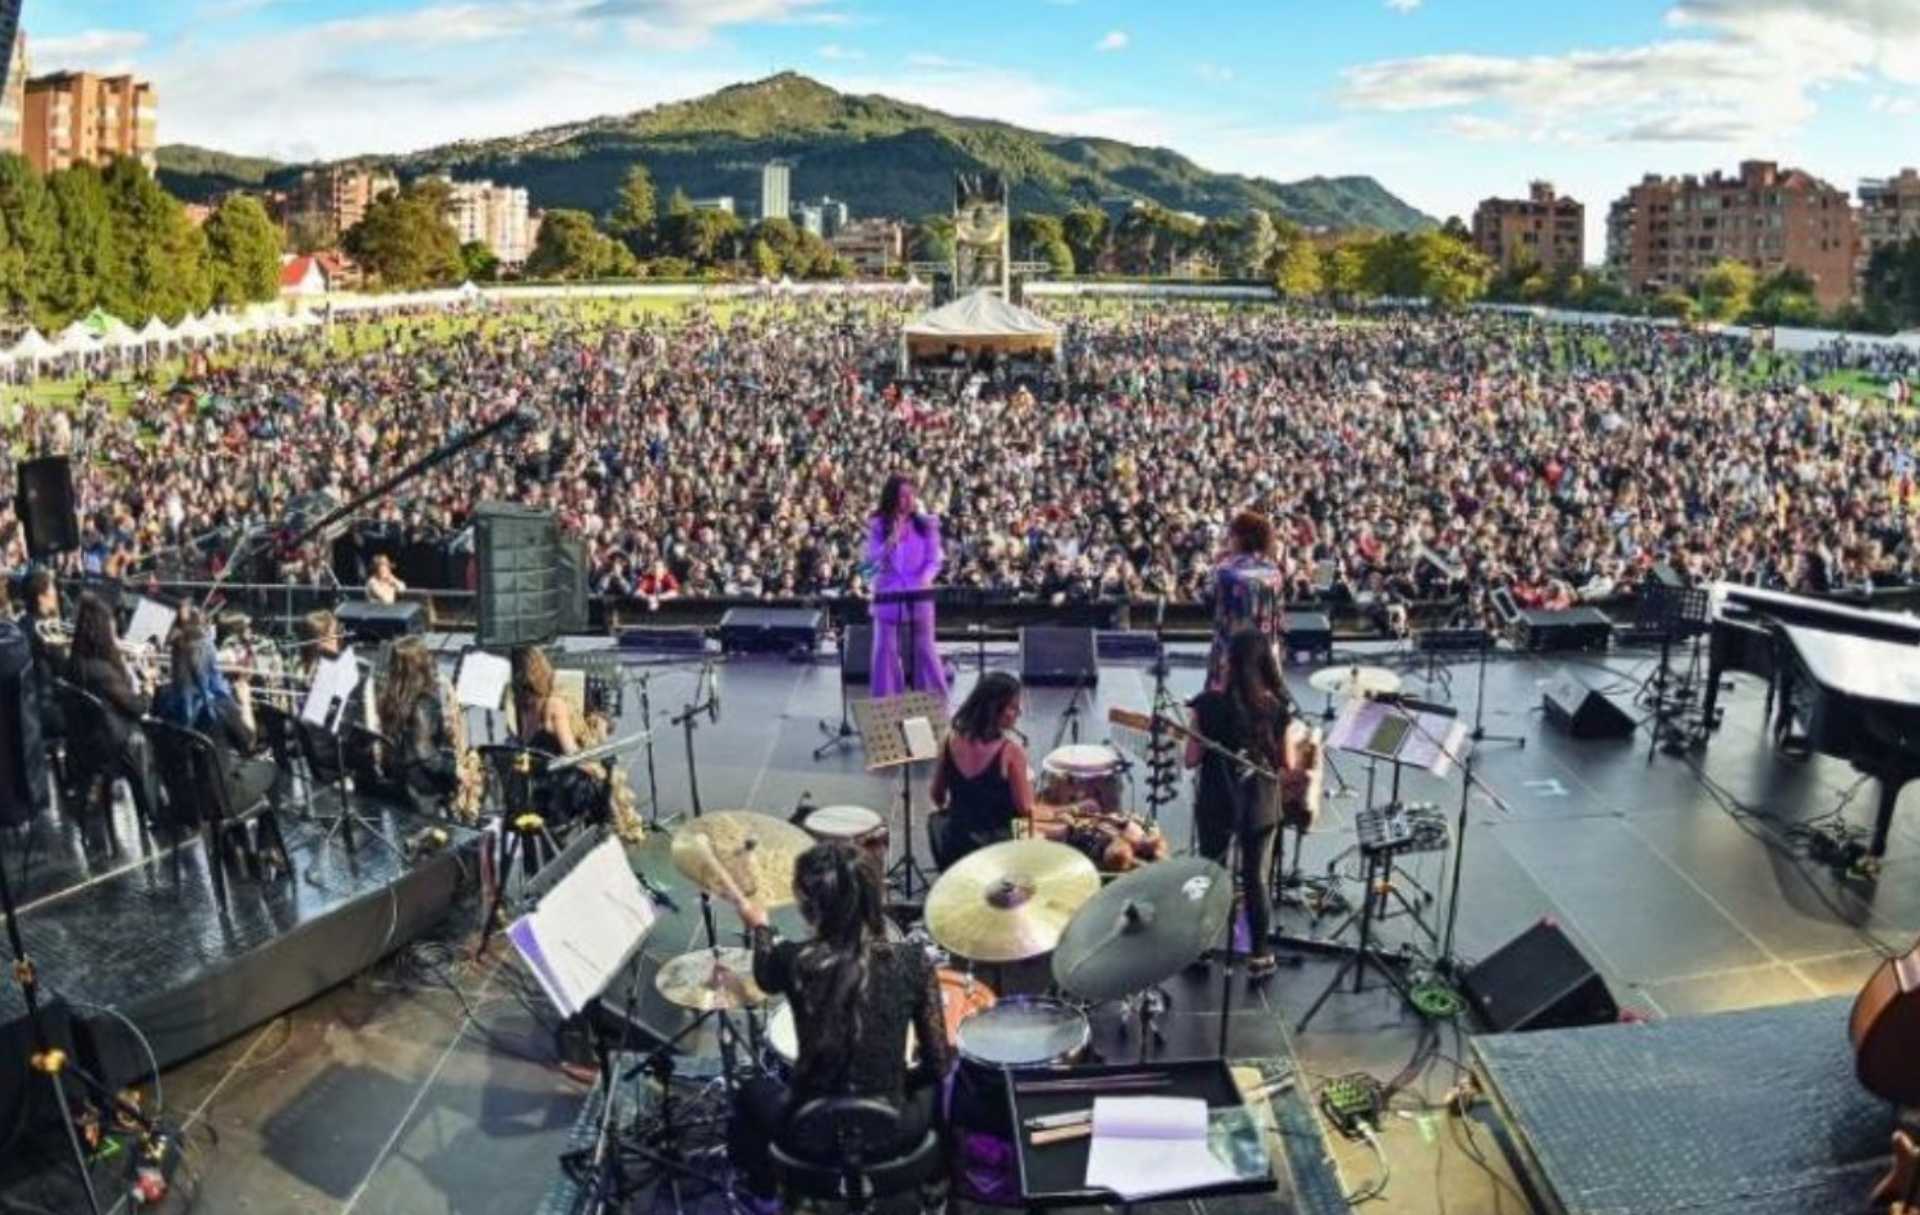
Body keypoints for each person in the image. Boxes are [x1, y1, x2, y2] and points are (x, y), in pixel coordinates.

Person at [718, 840, 951, 1206]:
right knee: (944, 1087)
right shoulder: (913, 960)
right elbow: (939, 1064)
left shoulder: (792, 960)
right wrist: (896, 1083)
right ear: (873, 897)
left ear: (809, 906)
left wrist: (760, 925)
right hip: (894, 1129)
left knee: (751, 1092)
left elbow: (763, 975)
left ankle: (762, 1194)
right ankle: (938, 1183)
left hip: (807, 1131)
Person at [1186, 628, 1311, 982]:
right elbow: (1285, 764)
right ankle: (1260, 956)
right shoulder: (1277, 708)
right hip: (1259, 804)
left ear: (1229, 663)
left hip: (1215, 800)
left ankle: (1203, 949)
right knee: (1256, 878)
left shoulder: (1206, 704)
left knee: (1211, 874)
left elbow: (1191, 759)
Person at [152, 624, 280, 818]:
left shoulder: (162, 697)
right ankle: (267, 843)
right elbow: (249, 743)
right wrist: (244, 701)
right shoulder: (218, 705)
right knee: (270, 767)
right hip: (218, 800)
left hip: (181, 796)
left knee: (233, 765)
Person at [927, 672, 1039, 866]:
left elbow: (937, 796)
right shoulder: (1011, 751)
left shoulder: (950, 740)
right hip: (997, 852)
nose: (1018, 712)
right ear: (994, 709)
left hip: (956, 847)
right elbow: (1026, 811)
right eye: (1013, 706)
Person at [68, 592, 160, 822]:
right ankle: (155, 809)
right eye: (110, 628)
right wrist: (149, 685)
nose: (114, 633)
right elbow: (139, 707)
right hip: (112, 742)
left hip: (88, 736)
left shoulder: (76, 662)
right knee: (161, 733)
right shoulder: (103, 672)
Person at [866, 474, 948, 700]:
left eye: (912, 495)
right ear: (892, 497)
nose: (909, 500)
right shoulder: (877, 525)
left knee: (925, 650)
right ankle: (886, 704)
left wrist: (925, 578)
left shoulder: (927, 524)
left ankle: (935, 704)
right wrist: (889, 542)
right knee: (885, 651)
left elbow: (935, 560)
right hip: (888, 593)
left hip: (919, 593)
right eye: (903, 495)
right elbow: (869, 565)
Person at [376, 639, 460, 816]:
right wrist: (455, 769)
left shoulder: (390, 699)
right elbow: (426, 756)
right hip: (425, 792)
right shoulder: (424, 703)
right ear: (420, 665)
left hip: (400, 786)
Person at [1205, 511, 1286, 686]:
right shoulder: (1274, 572)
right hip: (1265, 652)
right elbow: (1279, 613)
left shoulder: (1224, 571)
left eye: (1231, 535)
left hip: (1231, 652)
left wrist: (1217, 561)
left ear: (1240, 538)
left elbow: (1208, 598)